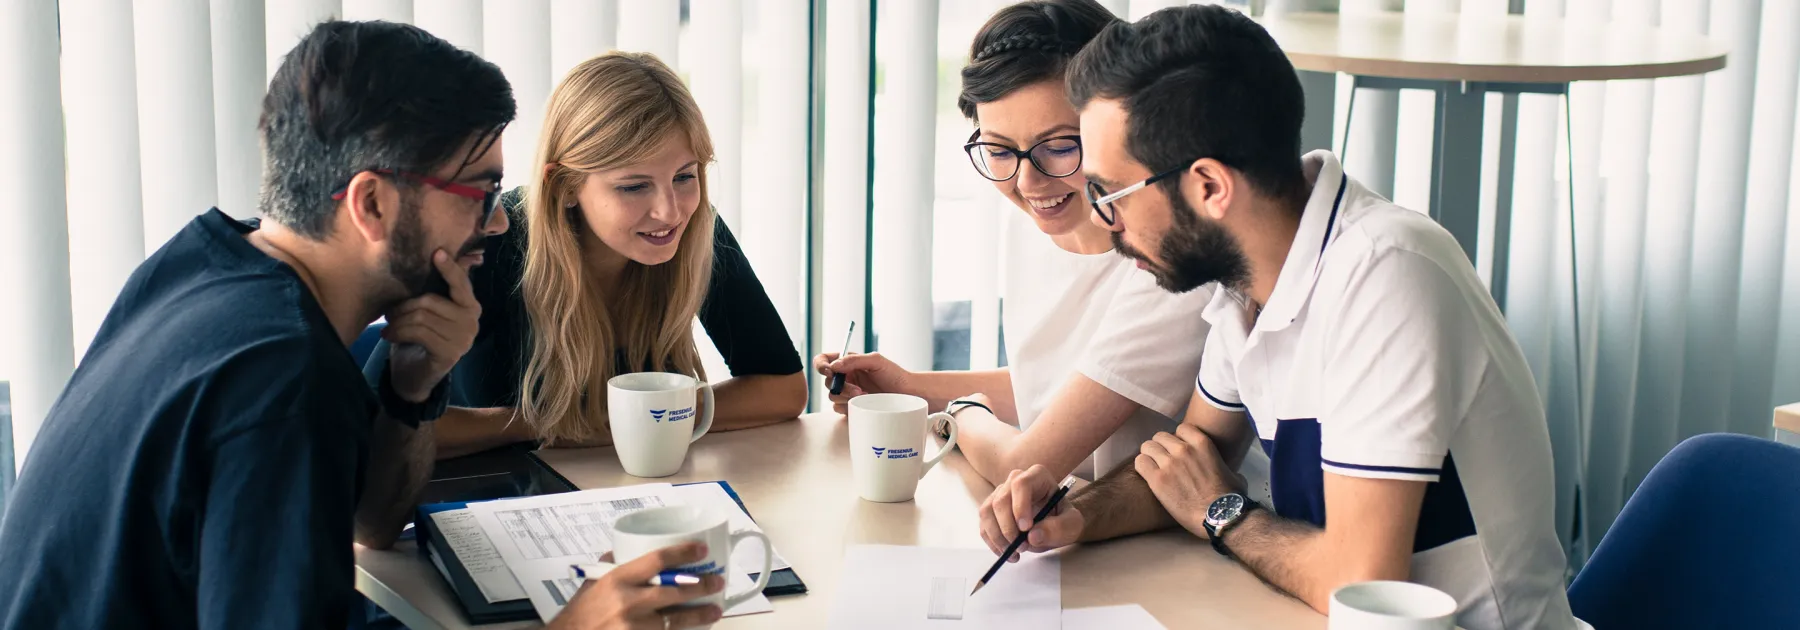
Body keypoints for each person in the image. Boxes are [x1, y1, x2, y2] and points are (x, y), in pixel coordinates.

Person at [0, 22, 723, 630]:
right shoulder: (279, 377)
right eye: (480, 191)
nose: (499, 222)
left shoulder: (202, 265)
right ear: (372, 205)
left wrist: (412, 390)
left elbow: (372, 525)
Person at [977, 7, 1578, 630]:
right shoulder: (1247, 280)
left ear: (1209, 187)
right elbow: (1190, 460)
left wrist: (1225, 513)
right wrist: (1076, 516)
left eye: (1113, 194)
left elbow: (1359, 581)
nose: (1105, 221)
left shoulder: (1386, 275)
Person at [814, 0, 1214, 486]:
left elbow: (1021, 464)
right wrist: (910, 388)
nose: (1027, 182)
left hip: (1148, 546)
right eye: (999, 150)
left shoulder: (1168, 263)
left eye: (1062, 146)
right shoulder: (1036, 226)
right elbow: (1054, 391)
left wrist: (961, 413)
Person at [367, 51, 805, 460]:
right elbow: (372, 423)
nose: (670, 211)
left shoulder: (696, 231)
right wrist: (538, 425)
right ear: (565, 187)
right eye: (634, 186)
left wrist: (638, 419)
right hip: (510, 502)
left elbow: (783, 389)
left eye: (685, 176)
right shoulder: (489, 244)